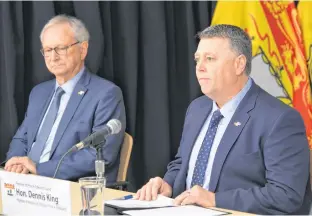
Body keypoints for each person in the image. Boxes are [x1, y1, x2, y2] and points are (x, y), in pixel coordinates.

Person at [135, 24, 311, 214]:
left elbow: (285, 195)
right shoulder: (197, 108)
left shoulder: (280, 119)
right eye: (197, 60)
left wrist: (214, 199)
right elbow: (182, 163)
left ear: (239, 64)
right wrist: (167, 183)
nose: (200, 68)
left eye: (210, 59)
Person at [4, 15, 126, 183]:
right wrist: (16, 162)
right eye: (47, 50)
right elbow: (22, 138)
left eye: (60, 48)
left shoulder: (106, 94)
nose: (53, 57)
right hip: (25, 183)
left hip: (67, 188)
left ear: (83, 49)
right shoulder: (39, 92)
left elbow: (99, 154)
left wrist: (39, 169)